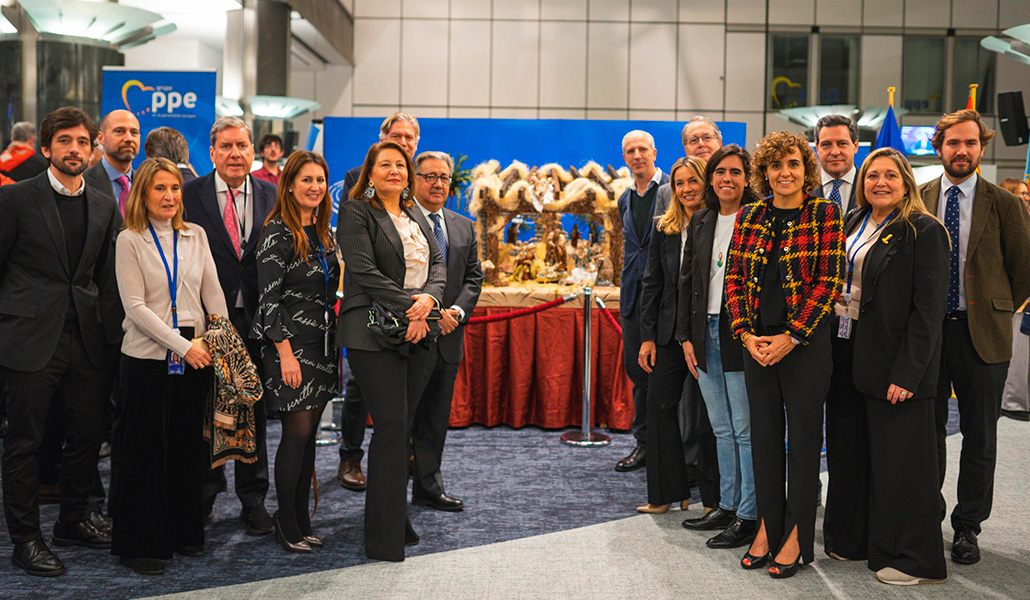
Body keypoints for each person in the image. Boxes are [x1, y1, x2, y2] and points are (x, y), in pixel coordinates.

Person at [0, 106, 120, 577]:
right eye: (64, 141)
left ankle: (72, 519)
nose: (75, 149)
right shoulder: (14, 200)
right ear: (46, 148)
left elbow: (104, 278)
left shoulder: (104, 203)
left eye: (82, 141)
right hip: (28, 336)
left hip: (87, 338)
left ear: (93, 151)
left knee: (88, 434)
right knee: (25, 443)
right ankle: (25, 539)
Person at [823, 147, 951, 585]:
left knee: (902, 464)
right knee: (853, 452)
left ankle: (915, 559)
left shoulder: (924, 230)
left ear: (906, 181)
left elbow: (929, 312)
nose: (880, 182)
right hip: (850, 352)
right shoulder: (855, 221)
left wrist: (908, 373)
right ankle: (857, 540)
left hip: (897, 362)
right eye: (873, 175)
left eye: (890, 176)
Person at [725, 131, 844, 578]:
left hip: (804, 347)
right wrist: (745, 334)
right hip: (756, 346)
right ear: (765, 172)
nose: (785, 173)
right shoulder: (751, 215)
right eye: (776, 166)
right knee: (765, 442)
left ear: (805, 168)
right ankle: (766, 528)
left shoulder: (824, 213)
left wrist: (791, 337)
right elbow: (734, 279)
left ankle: (795, 534)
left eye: (793, 164)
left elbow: (829, 282)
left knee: (804, 445)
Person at [919, 110, 1030, 565]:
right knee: (927, 433)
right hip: (927, 334)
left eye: (970, 143)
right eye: (952, 143)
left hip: (982, 333)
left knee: (980, 436)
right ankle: (928, 515)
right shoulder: (920, 196)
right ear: (938, 147)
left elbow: (1022, 269)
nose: (961, 151)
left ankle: (968, 526)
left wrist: (992, 305)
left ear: (981, 148)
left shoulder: (1003, 202)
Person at [111, 157, 228, 575]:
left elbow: (214, 294)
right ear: (143, 193)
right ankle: (141, 543)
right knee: (144, 452)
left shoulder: (194, 235)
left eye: (175, 188)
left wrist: (215, 340)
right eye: (160, 189)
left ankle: (183, 532)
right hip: (146, 359)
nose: (169, 196)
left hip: (195, 355)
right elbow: (136, 308)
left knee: (185, 450)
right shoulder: (130, 239)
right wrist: (184, 345)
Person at [335, 141, 445, 561]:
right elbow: (364, 271)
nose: (395, 171)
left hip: (419, 329)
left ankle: (396, 519)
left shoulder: (416, 211)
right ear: (371, 172)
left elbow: (438, 264)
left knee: (403, 428)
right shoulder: (356, 211)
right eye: (386, 165)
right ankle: (382, 536)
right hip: (371, 332)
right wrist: (411, 304)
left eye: (401, 165)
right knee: (392, 426)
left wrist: (428, 303)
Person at [183, 116, 277, 535]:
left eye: (242, 146)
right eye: (226, 146)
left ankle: (253, 499)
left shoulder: (271, 194)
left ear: (253, 151)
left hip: (257, 320)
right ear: (212, 152)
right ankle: (202, 496)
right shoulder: (188, 194)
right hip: (207, 322)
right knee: (207, 409)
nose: (235, 154)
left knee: (253, 409)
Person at [252, 151, 340, 552]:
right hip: (288, 347)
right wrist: (285, 354)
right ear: (288, 184)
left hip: (322, 347)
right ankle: (285, 522)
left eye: (320, 180)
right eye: (306, 179)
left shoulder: (324, 233)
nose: (315, 187)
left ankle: (301, 520)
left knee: (306, 443)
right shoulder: (276, 232)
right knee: (296, 434)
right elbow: (268, 301)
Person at [678, 145, 762, 549]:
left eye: (735, 172)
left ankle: (749, 514)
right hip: (704, 332)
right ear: (711, 178)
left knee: (745, 430)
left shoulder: (759, 217)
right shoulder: (701, 219)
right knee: (721, 427)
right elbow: (687, 282)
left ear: (747, 178)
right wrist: (685, 337)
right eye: (719, 172)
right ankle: (727, 506)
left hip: (739, 334)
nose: (727, 179)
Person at [338, 112, 421, 492]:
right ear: (381, 138)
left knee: (399, 412)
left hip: (414, 315)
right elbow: (362, 262)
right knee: (360, 389)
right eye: (396, 136)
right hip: (372, 313)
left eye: (409, 138)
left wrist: (428, 303)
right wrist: (412, 305)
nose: (403, 142)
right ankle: (350, 456)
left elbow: (431, 253)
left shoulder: (414, 186)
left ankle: (401, 457)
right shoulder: (360, 182)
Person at [636, 156, 715, 515]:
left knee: (710, 418)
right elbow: (652, 283)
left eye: (693, 181)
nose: (686, 189)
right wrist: (647, 336)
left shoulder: (720, 223)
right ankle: (667, 492)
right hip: (667, 334)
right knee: (660, 407)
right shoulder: (664, 227)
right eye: (679, 183)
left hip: (706, 333)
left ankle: (715, 500)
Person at [410, 151, 482, 512]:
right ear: (414, 179)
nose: (438, 184)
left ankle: (428, 484)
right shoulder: (399, 221)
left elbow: (473, 277)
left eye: (443, 178)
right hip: (409, 335)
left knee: (436, 417)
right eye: (429, 176)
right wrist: (431, 314)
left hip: (449, 337)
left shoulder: (462, 225)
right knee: (402, 418)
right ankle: (393, 485)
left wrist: (454, 311)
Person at [615, 130, 669, 472]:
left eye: (642, 149)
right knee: (638, 373)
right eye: (630, 151)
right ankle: (644, 444)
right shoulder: (624, 198)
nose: (637, 155)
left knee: (667, 376)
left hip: (665, 298)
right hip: (634, 299)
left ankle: (670, 448)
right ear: (625, 158)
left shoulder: (672, 190)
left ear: (654, 152)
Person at [999, 177, 1030, 421]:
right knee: (1016, 359)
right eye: (1020, 192)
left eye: (1027, 192)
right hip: (1014, 303)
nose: (1026, 196)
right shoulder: (1002, 222)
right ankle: (1013, 402)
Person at [654, 116, 724, 216]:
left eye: (707, 138)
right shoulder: (666, 193)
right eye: (693, 140)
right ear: (685, 149)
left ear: (719, 143)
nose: (701, 144)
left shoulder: (729, 186)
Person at [85, 109, 141, 215]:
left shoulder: (146, 183)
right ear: (101, 138)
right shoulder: (83, 183)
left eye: (134, 132)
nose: (129, 138)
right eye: (119, 131)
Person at [813, 114, 860, 214]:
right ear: (817, 148)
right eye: (826, 144)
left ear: (855, 146)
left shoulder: (869, 187)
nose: (835, 152)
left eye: (842, 143)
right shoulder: (804, 188)